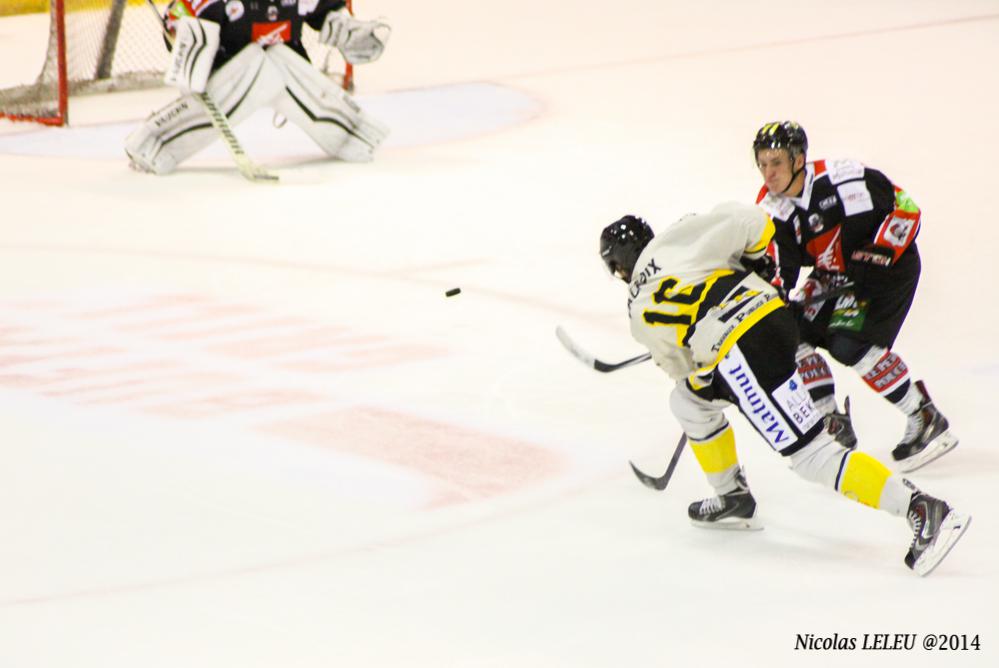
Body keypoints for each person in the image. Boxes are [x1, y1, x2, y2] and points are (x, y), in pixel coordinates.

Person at [599, 203, 970, 575]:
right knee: (688, 403)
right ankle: (732, 496)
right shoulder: (681, 233)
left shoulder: (637, 311)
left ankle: (922, 508)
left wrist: (702, 346)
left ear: (619, 268)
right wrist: (756, 263)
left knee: (813, 456)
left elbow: (682, 369)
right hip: (775, 319)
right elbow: (756, 223)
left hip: (741, 349)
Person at [753, 120, 956, 472]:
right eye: (762, 163)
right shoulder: (771, 206)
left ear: (798, 160)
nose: (768, 173)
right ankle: (832, 422)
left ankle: (923, 415)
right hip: (836, 273)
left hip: (886, 271)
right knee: (789, 331)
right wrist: (769, 296)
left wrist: (881, 250)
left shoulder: (841, 180)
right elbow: (781, 266)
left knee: (848, 345)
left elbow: (905, 207)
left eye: (776, 163)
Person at [125, 0, 390, 174]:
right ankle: (156, 140)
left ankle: (351, 134)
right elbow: (179, 16)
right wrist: (186, 38)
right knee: (259, 66)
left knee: (278, 63)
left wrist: (350, 32)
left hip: (285, 67)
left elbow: (329, 13)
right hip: (230, 73)